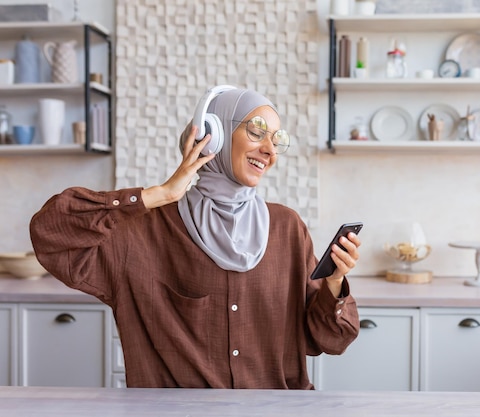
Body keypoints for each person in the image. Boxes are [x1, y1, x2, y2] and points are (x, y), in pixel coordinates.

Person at [29, 86, 361, 389]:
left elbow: (331, 341)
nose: (269, 150)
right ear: (213, 135)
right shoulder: (142, 232)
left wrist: (334, 283)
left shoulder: (288, 228)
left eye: (277, 140)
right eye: (258, 130)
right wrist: (159, 193)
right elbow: (50, 232)